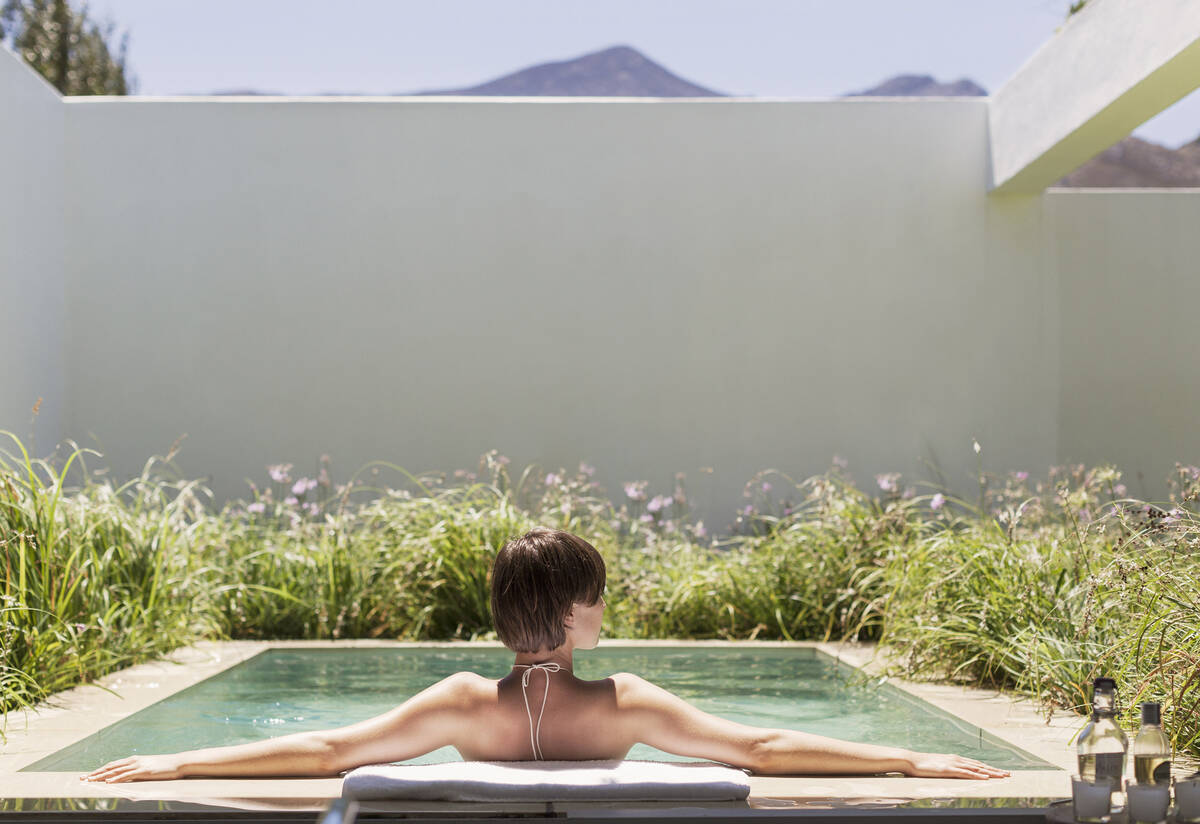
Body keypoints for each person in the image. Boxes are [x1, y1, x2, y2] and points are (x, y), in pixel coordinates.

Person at [84, 528, 1010, 783]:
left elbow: (328, 752)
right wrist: (903, 752)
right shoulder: (627, 705)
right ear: (573, 612)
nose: (605, 607)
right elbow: (762, 750)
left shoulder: (459, 703)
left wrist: (179, 758)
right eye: (596, 594)